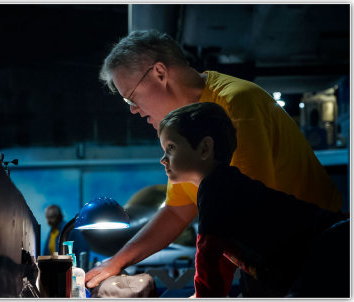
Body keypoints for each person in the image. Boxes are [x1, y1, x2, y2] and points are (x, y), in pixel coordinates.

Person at [85, 29, 343, 296]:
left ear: (160, 73)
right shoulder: (186, 125)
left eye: (130, 97)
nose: (132, 110)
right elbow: (176, 211)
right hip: (279, 261)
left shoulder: (236, 103)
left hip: (319, 258)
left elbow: (236, 217)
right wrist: (116, 262)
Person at [157, 102, 349, 297]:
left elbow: (208, 253)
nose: (163, 159)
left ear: (205, 148)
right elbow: (221, 255)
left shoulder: (214, 187)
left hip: (327, 251)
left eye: (171, 147)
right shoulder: (224, 183)